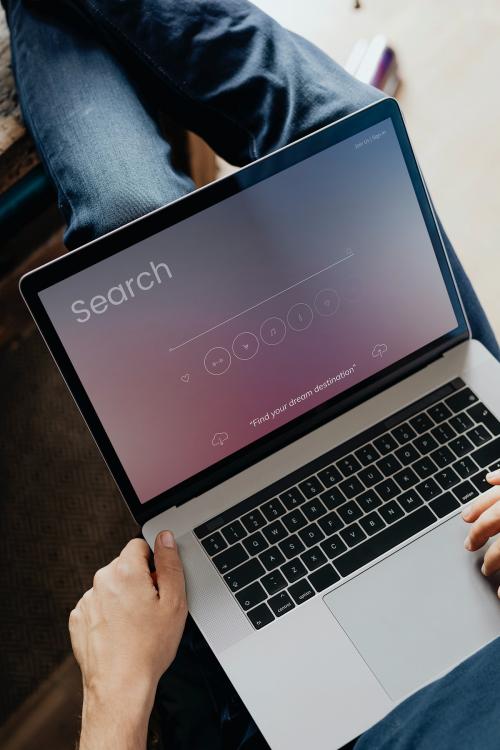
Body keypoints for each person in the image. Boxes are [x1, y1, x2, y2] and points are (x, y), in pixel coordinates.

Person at [3, 0, 499, 746]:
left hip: (314, 719)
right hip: (473, 499)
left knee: (131, 215)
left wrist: (115, 700)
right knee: (339, 124)